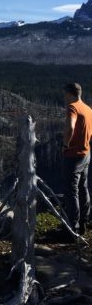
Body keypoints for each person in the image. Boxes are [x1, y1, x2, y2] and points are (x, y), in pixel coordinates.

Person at [67, 83, 92, 227]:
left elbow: (70, 126)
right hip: (86, 153)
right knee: (83, 187)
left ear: (70, 94)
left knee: (71, 190)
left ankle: (73, 225)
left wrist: (65, 144)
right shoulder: (89, 109)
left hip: (73, 155)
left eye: (65, 94)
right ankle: (84, 221)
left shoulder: (72, 107)